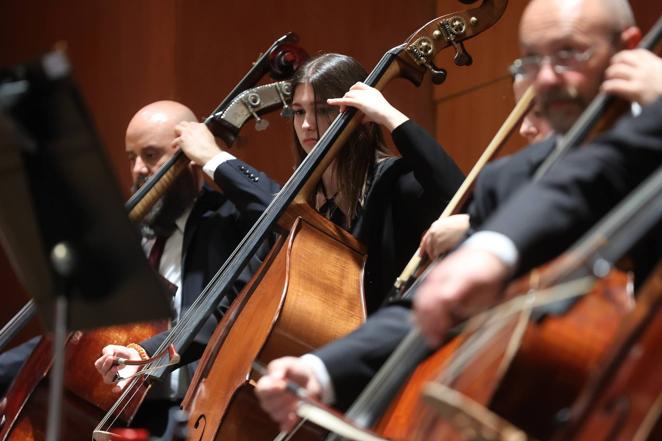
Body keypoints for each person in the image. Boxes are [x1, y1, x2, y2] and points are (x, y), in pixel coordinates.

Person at [256, 0, 655, 429]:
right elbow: (425, 309)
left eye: (569, 54)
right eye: (532, 60)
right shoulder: (511, 178)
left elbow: (599, 172)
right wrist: (322, 369)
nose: (547, 78)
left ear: (629, 49)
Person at [176, 53, 465, 314]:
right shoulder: (302, 198)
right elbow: (236, 298)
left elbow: (457, 194)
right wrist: (152, 351)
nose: (306, 125)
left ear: (362, 113)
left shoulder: (392, 181)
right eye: (299, 112)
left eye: (322, 110)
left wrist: (391, 117)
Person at [93, 100, 279, 435]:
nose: (137, 169)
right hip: (124, 416)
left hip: (196, 417)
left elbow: (278, 214)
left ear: (189, 156)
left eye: (150, 155)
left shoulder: (227, 220)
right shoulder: (130, 234)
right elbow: (73, 336)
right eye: (131, 157)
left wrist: (214, 159)